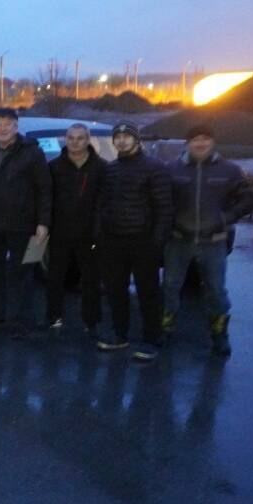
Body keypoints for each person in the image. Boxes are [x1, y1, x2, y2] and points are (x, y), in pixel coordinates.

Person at [162, 125, 253, 357]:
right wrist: (169, 221)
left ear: (213, 142)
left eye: (205, 139)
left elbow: (249, 198)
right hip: (178, 240)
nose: (200, 143)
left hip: (213, 242)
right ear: (187, 143)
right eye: (195, 139)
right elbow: (160, 199)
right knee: (170, 287)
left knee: (216, 290)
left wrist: (226, 219)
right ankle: (165, 329)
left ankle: (219, 335)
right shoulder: (171, 169)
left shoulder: (230, 170)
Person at [0, 107, 52, 339]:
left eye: (8, 124)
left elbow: (44, 189)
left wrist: (43, 222)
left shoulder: (32, 152)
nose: (3, 129)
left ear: (16, 127)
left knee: (23, 274)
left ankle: (23, 321)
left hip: (23, 224)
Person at [95, 121, 172, 361]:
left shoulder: (154, 168)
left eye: (126, 136)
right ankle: (120, 335)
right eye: (117, 136)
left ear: (137, 140)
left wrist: (157, 241)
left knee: (148, 292)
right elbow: (103, 204)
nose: (121, 140)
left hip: (144, 242)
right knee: (116, 291)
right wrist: (101, 234)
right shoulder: (111, 169)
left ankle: (152, 339)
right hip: (113, 242)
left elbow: (164, 208)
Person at [45, 124, 106, 333]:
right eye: (71, 138)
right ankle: (54, 317)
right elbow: (46, 197)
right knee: (55, 277)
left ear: (88, 140)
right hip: (59, 231)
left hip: (90, 232)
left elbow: (105, 201)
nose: (75, 142)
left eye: (80, 138)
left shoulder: (101, 167)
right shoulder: (54, 167)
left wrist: (100, 228)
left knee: (91, 278)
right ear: (66, 139)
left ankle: (91, 321)